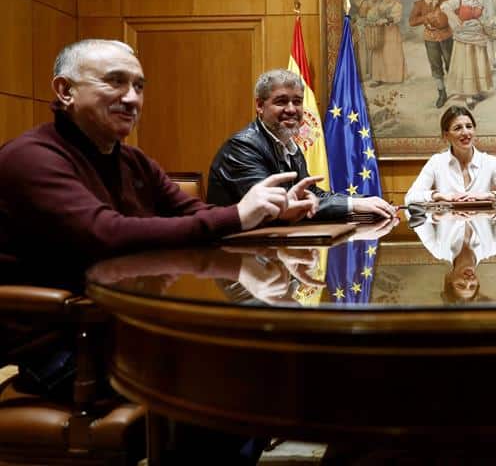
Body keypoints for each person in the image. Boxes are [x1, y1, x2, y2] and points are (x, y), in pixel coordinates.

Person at [0, 39, 312, 464]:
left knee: (256, 366)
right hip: (65, 344)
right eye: (115, 82)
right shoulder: (30, 158)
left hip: (127, 327)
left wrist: (272, 213)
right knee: (224, 389)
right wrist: (239, 215)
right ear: (64, 91)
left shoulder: (132, 161)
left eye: (139, 86)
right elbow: (103, 234)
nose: (132, 98)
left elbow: (197, 215)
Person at [207, 69, 395, 221]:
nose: (291, 109)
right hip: (233, 254)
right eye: (281, 102)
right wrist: (351, 206)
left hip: (273, 245)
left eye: (297, 102)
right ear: (259, 105)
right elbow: (276, 206)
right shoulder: (242, 148)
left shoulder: (288, 145)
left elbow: (310, 194)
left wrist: (363, 201)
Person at [405, 105, 496, 205]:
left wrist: (487, 196)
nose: (466, 133)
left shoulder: (489, 162)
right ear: (446, 135)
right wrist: (439, 196)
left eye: (469, 126)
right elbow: (410, 198)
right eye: (457, 128)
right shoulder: (436, 162)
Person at [441, 0, 494, 109]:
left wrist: (491, 30)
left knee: (477, 64)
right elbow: (444, 6)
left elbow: (484, 21)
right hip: (464, 39)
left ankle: (477, 91)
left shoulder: (480, 5)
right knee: (467, 65)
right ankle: (468, 96)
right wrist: (454, 19)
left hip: (478, 38)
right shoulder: (460, 0)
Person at [408, 0, 453, 108]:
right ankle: (442, 93)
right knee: (436, 66)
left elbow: (455, 14)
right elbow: (412, 21)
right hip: (431, 38)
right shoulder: (419, 4)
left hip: (446, 36)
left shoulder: (445, 1)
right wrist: (426, 17)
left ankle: (458, 89)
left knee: (451, 63)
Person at [370, 0, 406, 86]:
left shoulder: (397, 4)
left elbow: (397, 17)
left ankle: (394, 77)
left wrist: (385, 20)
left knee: (392, 53)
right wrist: (374, 20)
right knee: (379, 54)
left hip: (392, 32)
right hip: (380, 32)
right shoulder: (379, 5)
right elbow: (374, 14)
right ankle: (378, 78)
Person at [355, 0, 380, 81]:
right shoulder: (364, 3)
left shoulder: (377, 6)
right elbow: (362, 17)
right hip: (361, 28)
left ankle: (370, 73)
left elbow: (376, 18)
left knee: (371, 51)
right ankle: (362, 74)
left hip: (371, 30)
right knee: (362, 51)